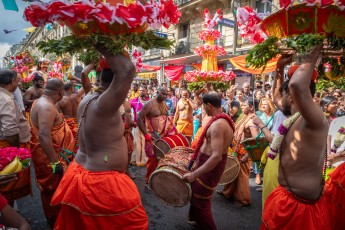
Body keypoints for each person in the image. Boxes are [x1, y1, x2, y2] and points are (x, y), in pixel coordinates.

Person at [51, 49, 148, 229]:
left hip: (81, 173)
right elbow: (127, 70)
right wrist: (104, 40)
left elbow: (85, 74)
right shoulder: (104, 104)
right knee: (136, 223)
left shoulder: (89, 97)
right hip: (100, 184)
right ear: (117, 86)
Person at [261, 47, 331, 229]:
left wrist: (316, 50)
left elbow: (297, 85)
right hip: (284, 199)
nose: (278, 99)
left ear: (292, 97)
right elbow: (277, 96)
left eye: (284, 95)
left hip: (301, 209)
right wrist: (278, 69)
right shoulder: (292, 119)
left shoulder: (315, 120)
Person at [182, 92, 234, 230]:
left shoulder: (217, 125)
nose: (201, 107)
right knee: (198, 195)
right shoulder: (225, 119)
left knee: (201, 202)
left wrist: (194, 174)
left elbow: (216, 156)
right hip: (208, 163)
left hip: (210, 166)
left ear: (209, 105)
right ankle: (194, 218)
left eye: (203, 105)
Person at [29, 78, 74, 227]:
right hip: (51, 159)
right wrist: (55, 163)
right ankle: (57, 222)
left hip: (49, 156)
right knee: (54, 190)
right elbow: (43, 135)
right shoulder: (46, 107)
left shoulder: (41, 102)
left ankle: (55, 220)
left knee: (52, 191)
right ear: (60, 92)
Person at [219, 98, 260, 206]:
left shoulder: (252, 121)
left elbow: (257, 140)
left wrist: (248, 155)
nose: (241, 106)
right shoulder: (244, 117)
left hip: (245, 151)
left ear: (251, 107)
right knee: (233, 171)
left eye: (244, 105)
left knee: (242, 175)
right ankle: (227, 192)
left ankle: (243, 199)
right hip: (237, 148)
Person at [137, 87, 176, 185]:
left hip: (163, 135)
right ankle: (148, 181)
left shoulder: (164, 104)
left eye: (166, 94)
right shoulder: (149, 104)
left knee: (163, 157)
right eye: (163, 94)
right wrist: (146, 134)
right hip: (152, 136)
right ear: (157, 92)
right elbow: (138, 118)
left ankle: (157, 179)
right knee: (153, 158)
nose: (165, 96)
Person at [0, 70, 31, 149]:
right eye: (18, 80)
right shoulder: (6, 100)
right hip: (9, 146)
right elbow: (10, 130)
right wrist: (17, 150)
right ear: (13, 81)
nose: (19, 83)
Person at [130, 85, 150, 167]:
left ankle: (143, 160)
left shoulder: (149, 101)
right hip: (136, 125)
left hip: (147, 126)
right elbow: (127, 110)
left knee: (144, 143)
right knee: (136, 143)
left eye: (143, 90)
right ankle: (135, 160)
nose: (141, 92)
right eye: (140, 90)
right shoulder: (133, 101)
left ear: (146, 92)